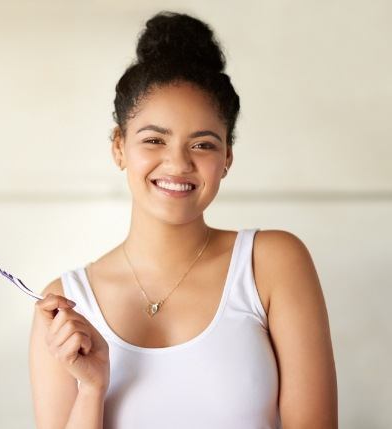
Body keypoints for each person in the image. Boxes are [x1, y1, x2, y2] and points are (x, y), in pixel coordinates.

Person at [29, 10, 338, 429]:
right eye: (154, 140)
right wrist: (90, 390)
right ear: (119, 147)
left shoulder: (272, 263)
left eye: (204, 145)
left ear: (227, 157)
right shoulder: (65, 305)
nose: (177, 163)